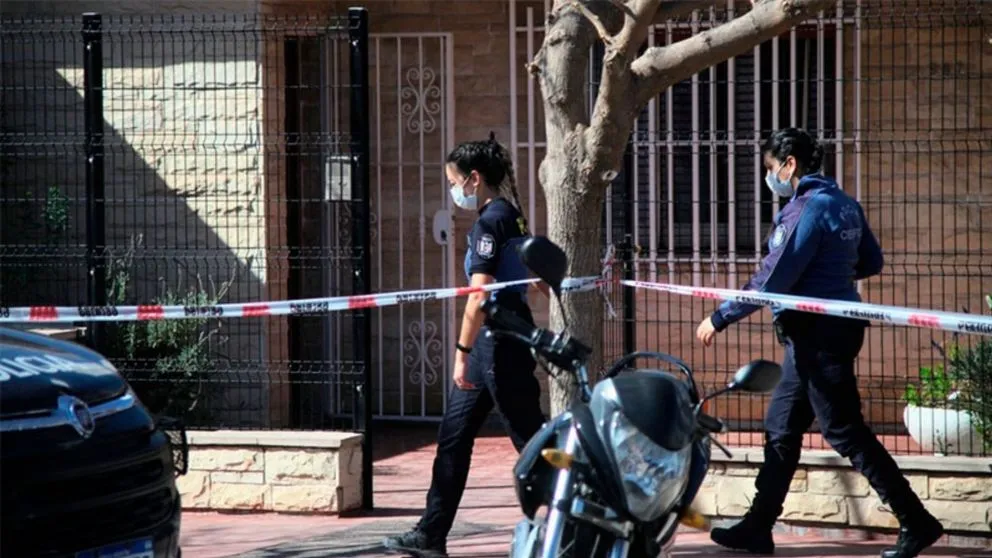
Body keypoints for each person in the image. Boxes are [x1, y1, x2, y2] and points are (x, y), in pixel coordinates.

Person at [695, 128, 944, 558]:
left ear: (789, 164)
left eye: (771, 168)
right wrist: (830, 274)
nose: (770, 177)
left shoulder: (804, 209)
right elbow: (871, 260)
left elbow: (771, 280)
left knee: (844, 429)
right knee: (781, 426)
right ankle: (758, 527)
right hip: (823, 332)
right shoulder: (844, 203)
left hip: (818, 335)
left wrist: (720, 317)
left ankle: (916, 520)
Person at [384, 133, 547, 558]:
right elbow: (533, 273)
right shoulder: (510, 215)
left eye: (455, 182)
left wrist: (461, 353)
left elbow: (479, 296)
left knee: (532, 441)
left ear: (474, 179)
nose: (454, 191)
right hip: (498, 341)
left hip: (498, 343)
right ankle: (431, 534)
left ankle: (590, 514)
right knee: (453, 438)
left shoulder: (490, 223)